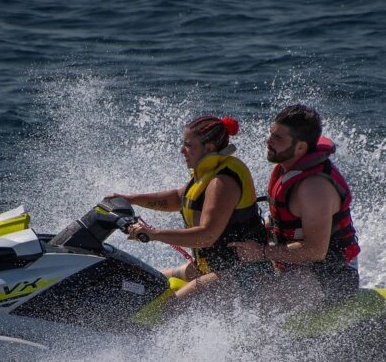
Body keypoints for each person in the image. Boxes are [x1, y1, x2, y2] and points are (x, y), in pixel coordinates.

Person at [110, 115, 267, 298]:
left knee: (167, 310)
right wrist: (131, 199)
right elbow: (179, 198)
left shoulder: (222, 182)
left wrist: (154, 235)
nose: (182, 150)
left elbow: (206, 236)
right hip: (213, 267)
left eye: (188, 145)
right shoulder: (208, 172)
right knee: (150, 281)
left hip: (241, 273)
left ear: (209, 147)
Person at [230, 104, 360, 302]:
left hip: (332, 277)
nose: (268, 141)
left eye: (278, 138)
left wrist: (262, 252)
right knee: (228, 277)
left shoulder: (314, 188)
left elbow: (316, 251)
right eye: (271, 134)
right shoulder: (287, 169)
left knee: (251, 300)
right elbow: (282, 223)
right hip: (295, 267)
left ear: (300, 147)